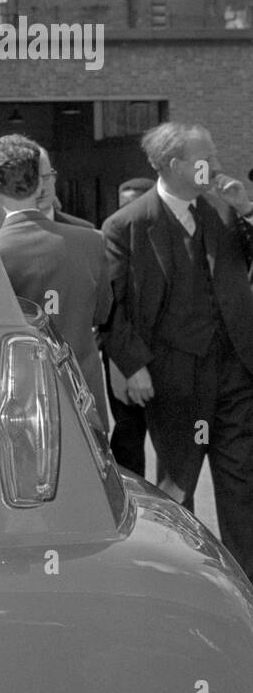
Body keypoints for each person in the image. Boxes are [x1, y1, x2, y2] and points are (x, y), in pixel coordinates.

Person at [102, 123, 253, 578]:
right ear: (174, 164)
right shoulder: (126, 226)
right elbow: (112, 308)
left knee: (243, 482)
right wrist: (133, 366)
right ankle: (180, 578)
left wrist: (247, 209)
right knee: (176, 486)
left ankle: (245, 580)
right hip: (171, 375)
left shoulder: (224, 214)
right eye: (205, 157)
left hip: (234, 371)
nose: (216, 164)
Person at [0, 134, 110, 427]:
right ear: (40, 184)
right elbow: (102, 313)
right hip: (83, 394)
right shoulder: (92, 241)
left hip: (18, 401)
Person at [100, 176, 155, 474]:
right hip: (123, 356)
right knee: (128, 436)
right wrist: (128, 364)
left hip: (171, 361)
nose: (126, 214)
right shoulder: (112, 241)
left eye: (134, 206)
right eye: (123, 207)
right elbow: (109, 307)